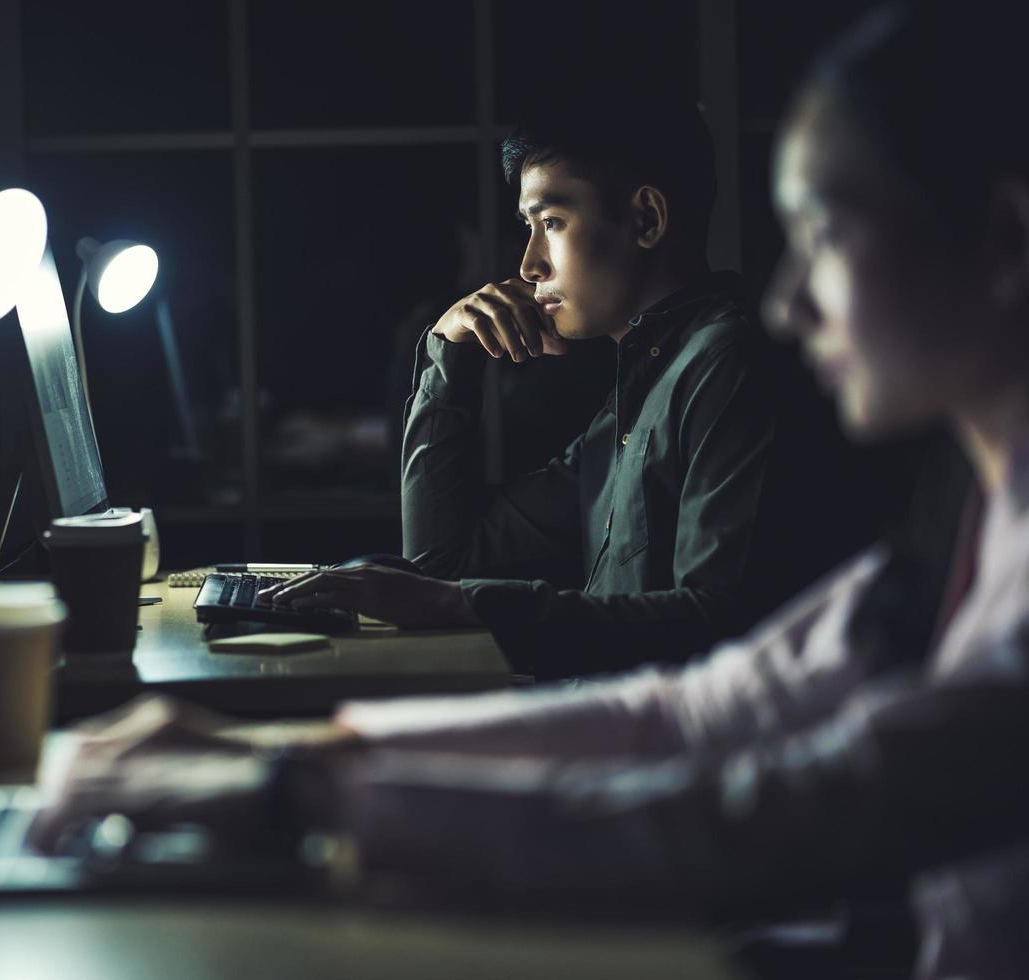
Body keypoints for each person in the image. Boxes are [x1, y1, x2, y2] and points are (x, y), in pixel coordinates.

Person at [34, 3, 1029, 976]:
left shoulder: (728, 364)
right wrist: (315, 745)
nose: (786, 299)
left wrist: (290, 785)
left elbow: (760, 804)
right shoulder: (954, 528)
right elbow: (688, 713)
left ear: (1005, 239)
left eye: (826, 235)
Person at [268, 91, 805, 677]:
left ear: (647, 218)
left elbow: (716, 622)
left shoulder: (725, 362)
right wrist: (450, 352)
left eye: (551, 222)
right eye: (529, 226)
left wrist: (463, 604)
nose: (529, 264)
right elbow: (444, 559)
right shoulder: (640, 389)